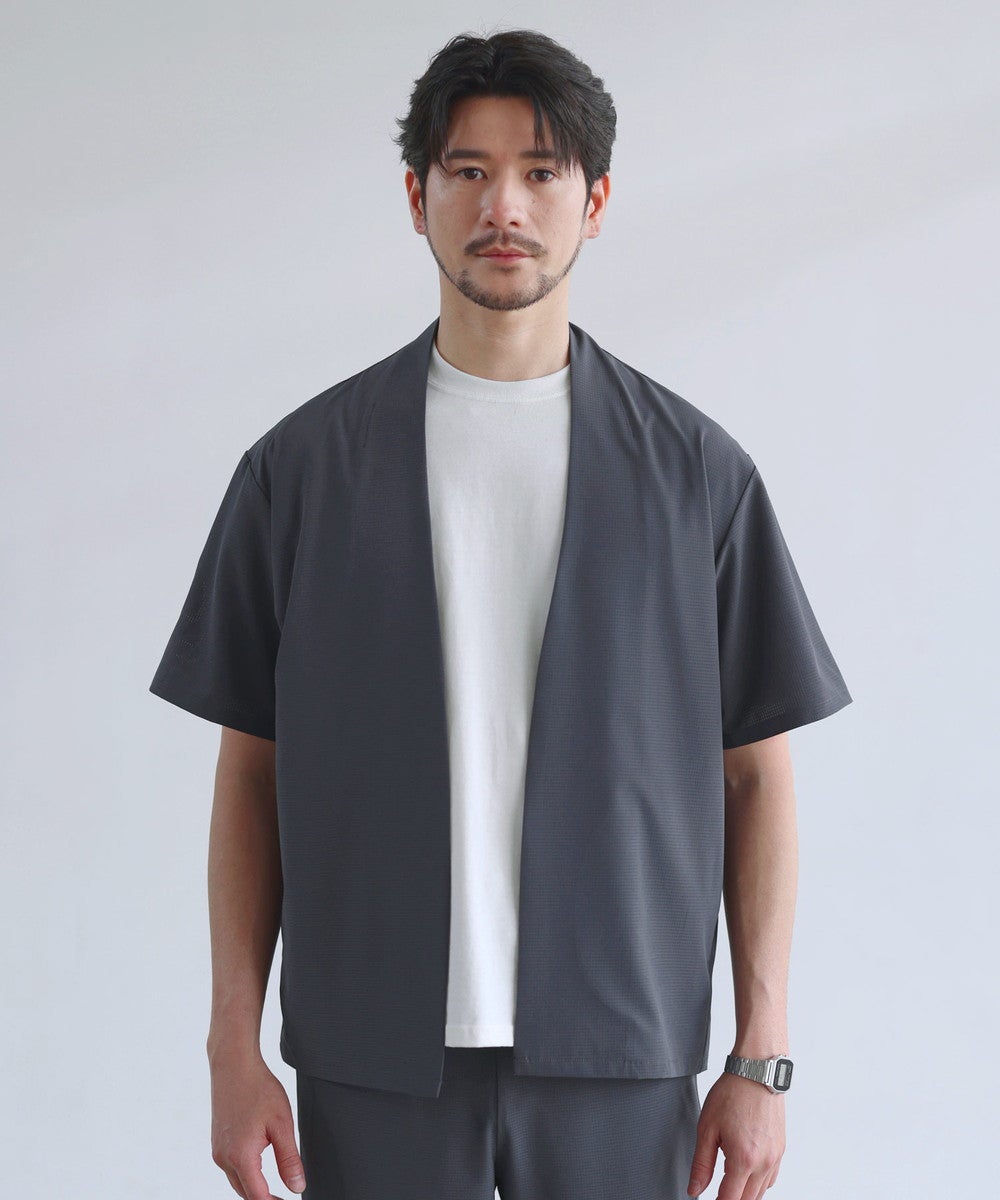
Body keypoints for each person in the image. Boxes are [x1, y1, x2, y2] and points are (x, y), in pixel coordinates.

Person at [149, 28, 852, 1200]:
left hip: (619, 1044)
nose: (503, 207)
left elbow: (755, 777)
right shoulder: (302, 471)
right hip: (371, 1047)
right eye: (467, 171)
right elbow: (252, 771)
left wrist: (760, 1057)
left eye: (540, 171)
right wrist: (233, 1041)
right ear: (416, 196)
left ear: (596, 201)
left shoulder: (696, 477)